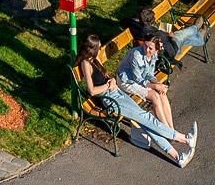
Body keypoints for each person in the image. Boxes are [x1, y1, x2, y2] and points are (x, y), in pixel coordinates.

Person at [77, 33, 195, 166]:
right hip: (111, 100)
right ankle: (184, 138)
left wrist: (111, 81)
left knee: (144, 121)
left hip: (116, 93)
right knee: (146, 117)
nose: (100, 49)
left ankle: (178, 156)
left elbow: (102, 79)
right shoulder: (86, 63)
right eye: (98, 47)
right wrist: (108, 85)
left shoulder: (94, 59)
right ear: (91, 49)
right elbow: (92, 91)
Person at [118, 25, 180, 130]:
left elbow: (149, 73)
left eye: (150, 48)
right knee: (155, 96)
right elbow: (137, 79)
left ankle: (171, 128)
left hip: (141, 79)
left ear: (156, 49)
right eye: (145, 46)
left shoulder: (154, 54)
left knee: (162, 94)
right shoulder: (136, 55)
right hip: (127, 80)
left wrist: (157, 84)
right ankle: (166, 131)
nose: (147, 50)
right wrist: (155, 86)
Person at [137, 6, 208, 60]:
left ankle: (200, 38)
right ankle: (195, 27)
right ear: (152, 22)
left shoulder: (141, 30)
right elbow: (169, 49)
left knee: (183, 39)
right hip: (169, 53)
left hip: (164, 51)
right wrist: (170, 37)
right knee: (180, 35)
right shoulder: (154, 34)